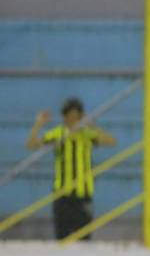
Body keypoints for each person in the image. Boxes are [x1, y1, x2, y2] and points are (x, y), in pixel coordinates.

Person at [26, 98, 117, 240]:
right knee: (62, 238)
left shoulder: (87, 135)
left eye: (76, 117)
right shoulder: (57, 134)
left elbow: (111, 141)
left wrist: (92, 125)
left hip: (83, 194)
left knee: (84, 239)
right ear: (64, 117)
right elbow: (31, 144)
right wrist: (38, 124)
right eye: (70, 117)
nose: (73, 120)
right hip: (62, 194)